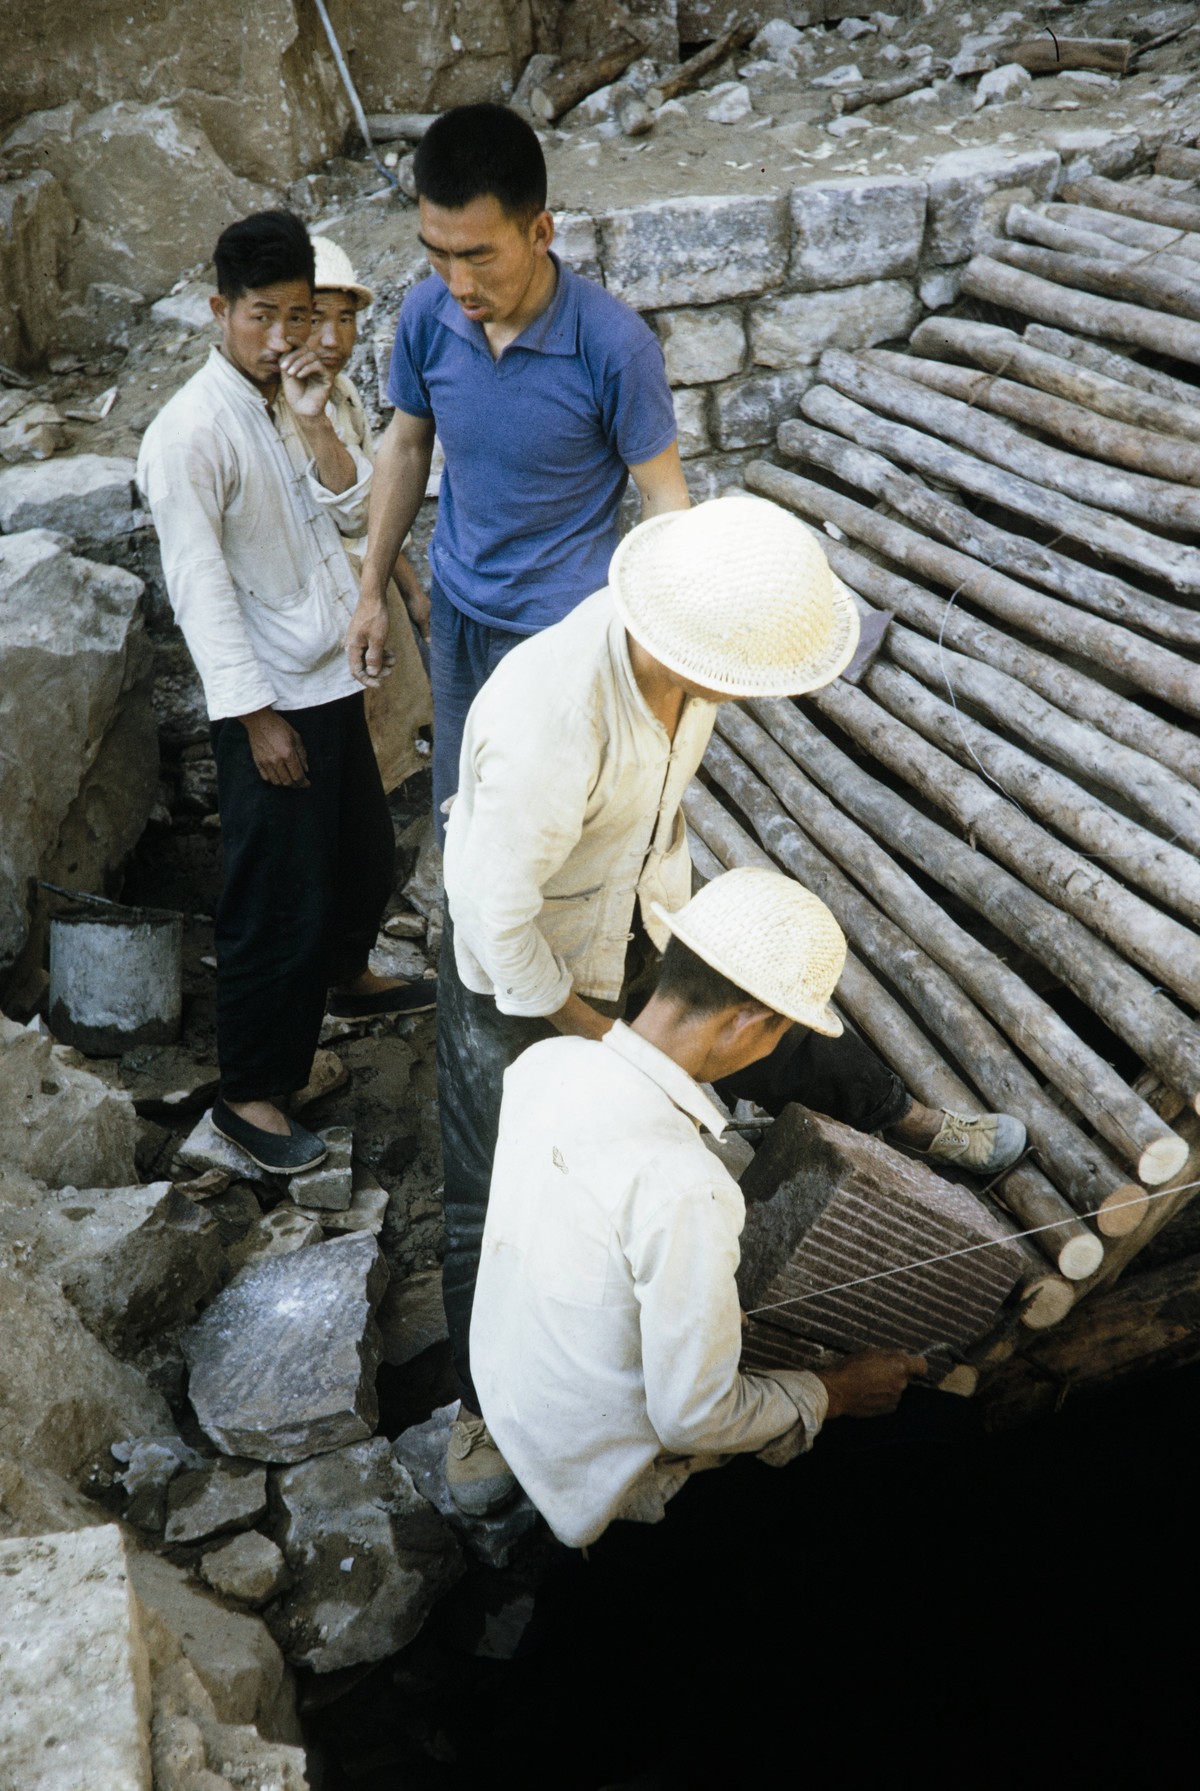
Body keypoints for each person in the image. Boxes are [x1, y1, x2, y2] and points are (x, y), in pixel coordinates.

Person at [438, 494, 1025, 1514]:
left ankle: (914, 1122)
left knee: (761, 1008)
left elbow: (662, 835)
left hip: (623, 912)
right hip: (518, 957)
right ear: (686, 639)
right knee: (488, 1185)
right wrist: (604, 1042)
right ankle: (483, 1408)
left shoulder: (688, 680)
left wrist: (679, 961)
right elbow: (496, 931)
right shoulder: (549, 719)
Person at [471, 866, 929, 1548]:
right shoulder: (688, 1183)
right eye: (782, 1034)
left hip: (518, 1409)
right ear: (747, 1020)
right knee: (904, 1439)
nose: (774, 1049)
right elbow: (693, 1419)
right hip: (605, 1485)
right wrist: (833, 1391)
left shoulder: (548, 1063)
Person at [137, 211, 434, 1177]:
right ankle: (247, 1098)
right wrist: (258, 716)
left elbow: (354, 511)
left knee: (358, 856)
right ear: (220, 308)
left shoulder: (300, 393)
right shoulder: (191, 432)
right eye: (262, 317)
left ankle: (345, 979)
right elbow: (200, 588)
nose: (282, 339)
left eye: (299, 317)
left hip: (327, 678)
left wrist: (314, 423)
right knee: (275, 899)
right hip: (267, 701)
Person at [346, 101, 690, 842]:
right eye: (437, 252)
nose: (457, 281)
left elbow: (665, 497)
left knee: (544, 844)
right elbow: (405, 448)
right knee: (462, 824)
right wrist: (372, 591)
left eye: (478, 255)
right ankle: (463, 962)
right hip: (460, 619)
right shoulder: (427, 317)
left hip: (561, 637)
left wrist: (655, 656)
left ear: (540, 232)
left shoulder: (612, 346)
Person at [307, 236, 434, 794]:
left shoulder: (345, 397)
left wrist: (414, 595)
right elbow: (354, 508)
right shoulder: (282, 411)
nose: (334, 339)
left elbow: (374, 509)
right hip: (318, 613)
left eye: (346, 319)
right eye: (314, 320)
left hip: (363, 589)